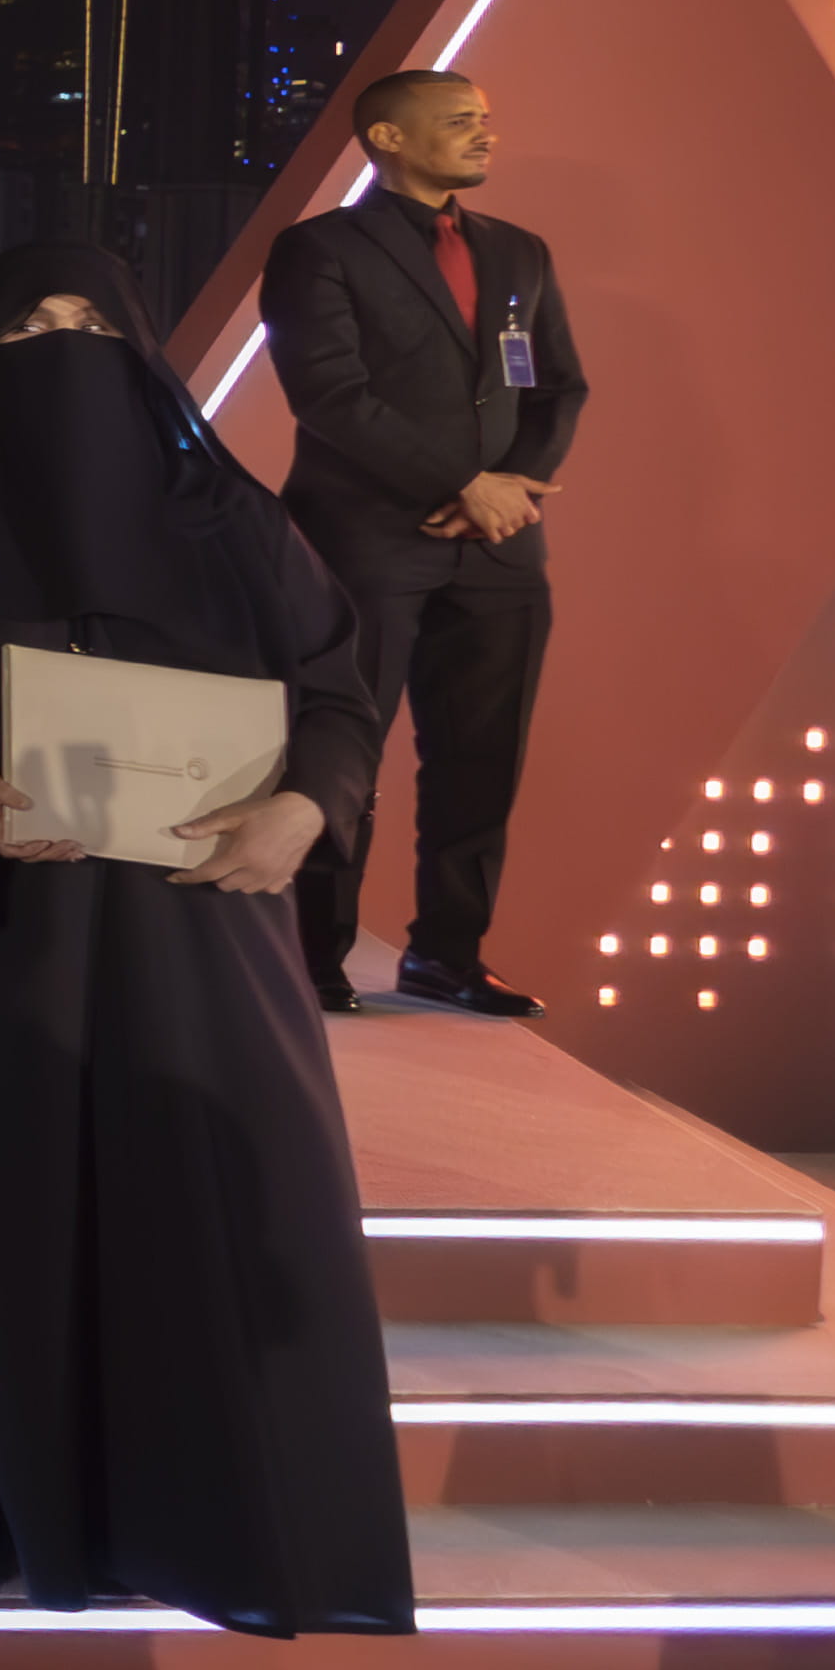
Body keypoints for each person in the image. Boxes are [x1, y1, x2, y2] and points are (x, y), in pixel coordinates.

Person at [0, 245, 413, 1636]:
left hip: (203, 927)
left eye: (91, 324)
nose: (62, 350)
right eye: (26, 327)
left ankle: (229, 1531)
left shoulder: (230, 517)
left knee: (213, 1206)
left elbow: (336, 694)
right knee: (5, 1212)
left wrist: (306, 808)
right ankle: (15, 1518)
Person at [267, 66, 584, 1016]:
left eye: (484, 118)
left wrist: (509, 492)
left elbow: (557, 387)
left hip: (500, 548)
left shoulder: (518, 250)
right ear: (388, 137)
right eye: (459, 120)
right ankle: (311, 955)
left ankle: (447, 954)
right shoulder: (318, 248)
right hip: (365, 541)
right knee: (340, 747)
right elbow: (329, 394)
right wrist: (460, 484)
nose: (485, 134)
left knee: (482, 757)